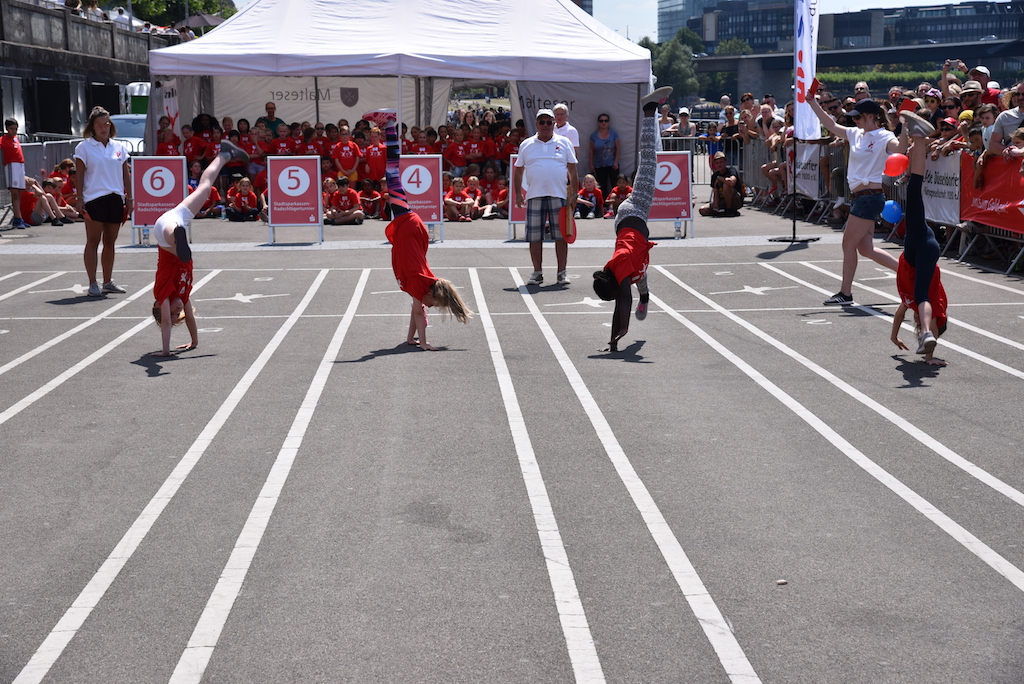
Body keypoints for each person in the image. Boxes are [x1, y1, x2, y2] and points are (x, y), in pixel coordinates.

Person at [361, 108, 472, 351]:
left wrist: (411, 339)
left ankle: (388, 124)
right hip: (409, 225)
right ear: (432, 295)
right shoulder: (420, 285)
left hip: (413, 230)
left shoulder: (423, 287)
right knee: (392, 173)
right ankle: (389, 123)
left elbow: (417, 311)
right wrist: (424, 344)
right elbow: (420, 313)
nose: (429, 306)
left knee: (391, 174)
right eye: (434, 304)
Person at [149, 138, 249, 357]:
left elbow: (165, 321)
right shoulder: (183, 297)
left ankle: (178, 233)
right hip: (177, 219)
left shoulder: (162, 294)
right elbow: (191, 317)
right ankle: (225, 154)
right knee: (205, 188)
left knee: (171, 235)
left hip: (166, 238)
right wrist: (194, 343)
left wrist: (165, 352)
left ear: (159, 305)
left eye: (173, 314)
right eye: (178, 315)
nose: (177, 312)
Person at [592, 88, 670, 352]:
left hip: (634, 211)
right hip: (629, 228)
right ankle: (645, 295)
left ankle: (649, 110)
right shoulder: (620, 273)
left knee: (649, 160)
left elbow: (622, 303)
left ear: (614, 285)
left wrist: (622, 333)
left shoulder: (620, 264)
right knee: (641, 270)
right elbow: (620, 303)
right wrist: (613, 343)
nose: (616, 297)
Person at [808, 92, 904, 306]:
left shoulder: (884, 136)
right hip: (862, 197)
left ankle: (845, 293)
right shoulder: (855, 134)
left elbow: (900, 149)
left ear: (870, 116)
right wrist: (812, 102)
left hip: (870, 197)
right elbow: (831, 126)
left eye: (858, 117)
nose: (854, 120)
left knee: (848, 244)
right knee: (865, 249)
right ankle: (907, 273)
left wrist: (906, 126)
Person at [890, 112, 947, 366]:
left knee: (914, 189)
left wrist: (893, 336)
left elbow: (898, 316)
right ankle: (919, 135)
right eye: (917, 323)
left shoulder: (907, 304)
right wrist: (928, 337)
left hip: (915, 249)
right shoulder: (928, 308)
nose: (910, 319)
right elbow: (927, 313)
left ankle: (917, 136)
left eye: (915, 324)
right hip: (924, 244)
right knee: (914, 188)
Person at [513, 109, 579, 286]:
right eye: (542, 122)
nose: (545, 125)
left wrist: (574, 193)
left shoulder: (564, 142)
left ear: (554, 124)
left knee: (561, 236)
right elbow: (518, 170)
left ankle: (562, 272)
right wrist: (518, 194)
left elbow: (572, 169)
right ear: (536, 124)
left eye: (549, 122)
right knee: (534, 236)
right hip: (534, 195)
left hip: (559, 196)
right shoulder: (526, 144)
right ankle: (537, 272)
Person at [74, 106, 133, 298]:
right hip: (94, 198)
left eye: (106, 124)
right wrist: (80, 198)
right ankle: (93, 283)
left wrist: (130, 198)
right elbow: (80, 175)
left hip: (116, 199)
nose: (103, 127)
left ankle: (108, 282)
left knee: (110, 242)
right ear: (92, 126)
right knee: (93, 241)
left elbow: (126, 175)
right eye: (99, 124)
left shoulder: (119, 147)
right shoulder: (84, 147)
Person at [3, 117, 29, 229]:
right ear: (7, 129)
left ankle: (19, 218)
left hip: (19, 165)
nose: (14, 131)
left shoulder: (16, 139)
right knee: (14, 193)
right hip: (11, 166)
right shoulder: (3, 140)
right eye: (11, 128)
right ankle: (18, 219)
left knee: (19, 193)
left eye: (15, 129)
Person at [699, 152, 744, 216]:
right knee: (702, 210)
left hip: (735, 200)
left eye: (721, 162)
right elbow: (715, 192)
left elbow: (732, 182)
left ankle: (729, 209)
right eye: (717, 163)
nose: (719, 164)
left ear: (725, 162)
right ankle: (722, 212)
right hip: (722, 201)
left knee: (726, 185)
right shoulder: (715, 175)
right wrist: (716, 205)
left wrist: (720, 179)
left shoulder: (731, 170)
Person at [589, 113, 619, 200]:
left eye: (606, 121)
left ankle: (614, 206)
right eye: (601, 121)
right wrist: (591, 164)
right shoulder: (594, 135)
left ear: (608, 122)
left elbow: (618, 148)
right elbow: (591, 150)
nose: (603, 123)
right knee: (602, 186)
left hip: (612, 164)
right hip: (599, 165)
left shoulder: (613, 134)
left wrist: (616, 162)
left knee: (615, 185)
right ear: (598, 123)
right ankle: (604, 206)